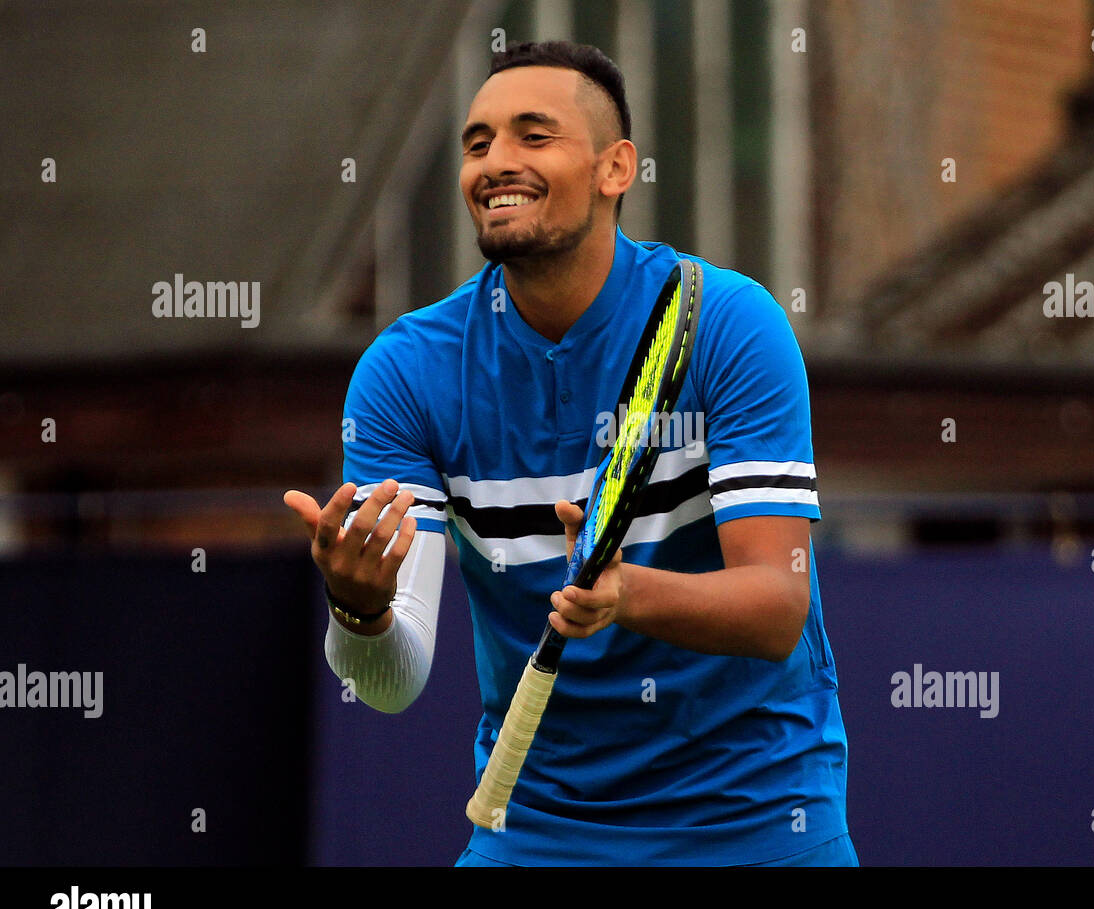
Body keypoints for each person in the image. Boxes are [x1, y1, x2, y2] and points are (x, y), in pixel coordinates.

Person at [284, 39, 855, 867]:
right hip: (537, 829)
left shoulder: (734, 324)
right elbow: (392, 682)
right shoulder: (405, 373)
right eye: (478, 143)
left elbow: (776, 608)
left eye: (532, 134)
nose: (495, 162)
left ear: (615, 168)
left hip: (759, 822)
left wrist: (626, 593)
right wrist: (357, 608)